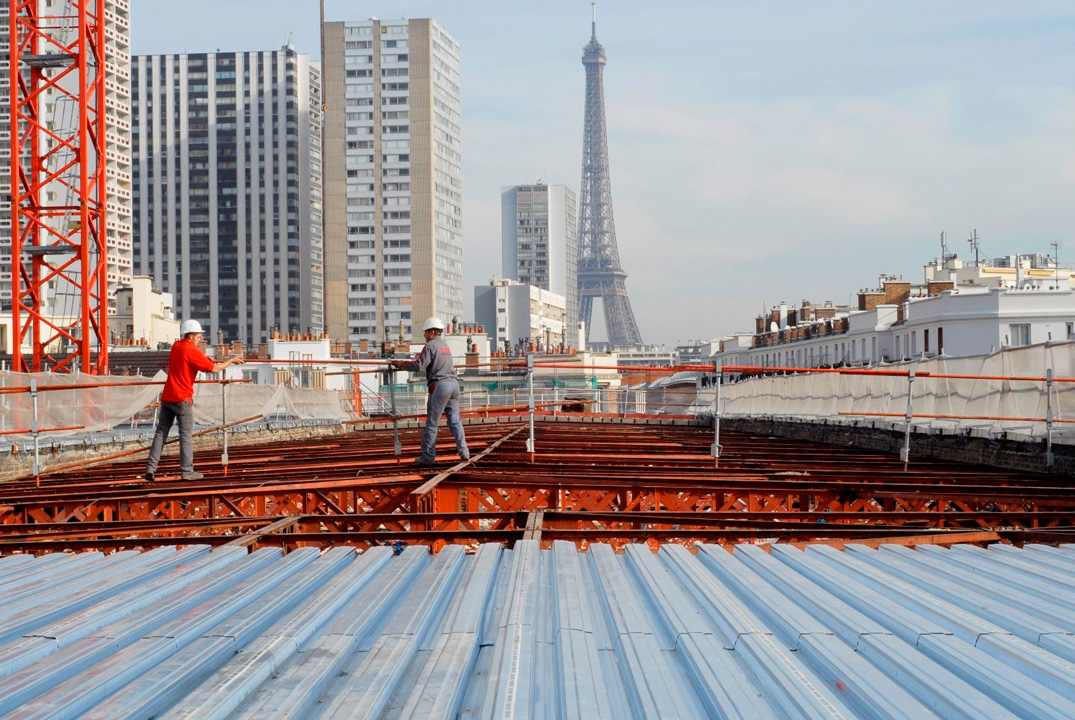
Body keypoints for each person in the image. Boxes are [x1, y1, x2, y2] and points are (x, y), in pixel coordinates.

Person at [144, 320, 245, 481]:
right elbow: (214, 369)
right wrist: (231, 361)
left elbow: (198, 360)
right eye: (198, 337)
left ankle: (151, 468)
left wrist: (206, 358)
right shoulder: (192, 351)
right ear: (190, 336)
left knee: (161, 432)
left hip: (168, 396)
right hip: (182, 398)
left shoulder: (176, 347)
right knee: (185, 434)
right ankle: (187, 471)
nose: (200, 339)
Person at [390, 317, 469, 466]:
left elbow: (419, 365)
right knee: (455, 420)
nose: (425, 336)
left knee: (432, 423)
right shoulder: (445, 346)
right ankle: (464, 451)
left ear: (432, 332)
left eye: (426, 333)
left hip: (441, 385)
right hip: (454, 385)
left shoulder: (430, 346)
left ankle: (428, 457)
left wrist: (401, 364)